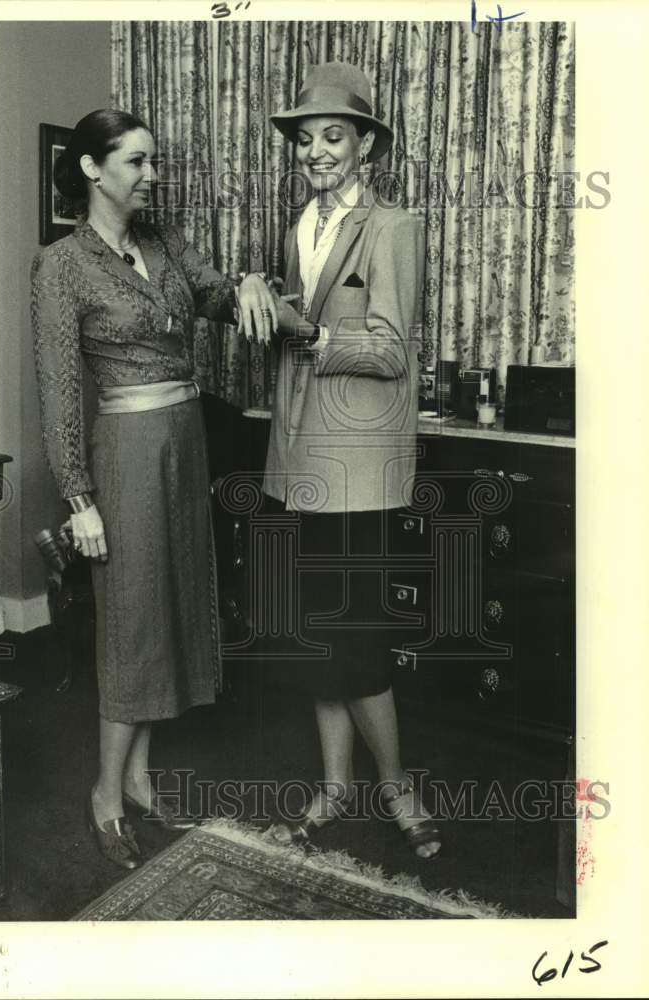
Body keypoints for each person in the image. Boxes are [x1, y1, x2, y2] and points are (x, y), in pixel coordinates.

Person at [31, 109, 275, 869]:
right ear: (92, 171)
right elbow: (59, 388)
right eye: (137, 162)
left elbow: (213, 294)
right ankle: (105, 792)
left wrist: (251, 285)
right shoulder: (61, 266)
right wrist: (80, 499)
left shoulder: (163, 243)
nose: (152, 176)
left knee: (168, 610)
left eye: (154, 162)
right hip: (126, 455)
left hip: (183, 446)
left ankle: (139, 778)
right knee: (132, 622)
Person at [263, 62, 441, 858]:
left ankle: (398, 786)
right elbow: (299, 324)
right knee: (316, 639)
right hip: (299, 457)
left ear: (365, 144)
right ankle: (336, 789)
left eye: (332, 136)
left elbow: (394, 352)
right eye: (305, 140)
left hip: (359, 469)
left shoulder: (394, 227)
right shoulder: (299, 226)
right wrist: (262, 305)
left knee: (358, 643)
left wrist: (309, 334)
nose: (316, 152)